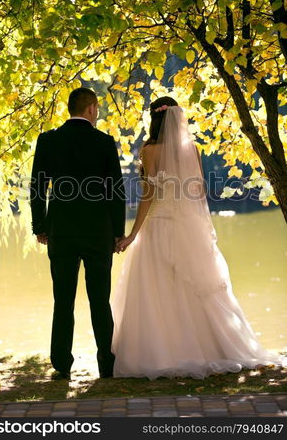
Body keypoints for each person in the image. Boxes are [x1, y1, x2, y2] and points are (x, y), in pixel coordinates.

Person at [112, 96, 285, 379]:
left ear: (154, 119)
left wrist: (133, 233)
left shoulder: (150, 150)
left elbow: (149, 194)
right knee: (193, 288)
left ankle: (168, 351)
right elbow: (196, 191)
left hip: (159, 224)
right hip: (186, 225)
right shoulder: (190, 148)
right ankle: (212, 347)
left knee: (159, 290)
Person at [30, 87, 126, 380]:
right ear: (91, 109)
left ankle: (61, 363)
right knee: (100, 300)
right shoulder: (104, 142)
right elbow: (116, 192)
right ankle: (107, 365)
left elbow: (37, 187)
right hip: (98, 232)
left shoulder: (48, 141)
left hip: (62, 231)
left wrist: (41, 226)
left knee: (63, 300)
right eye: (96, 109)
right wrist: (117, 233)